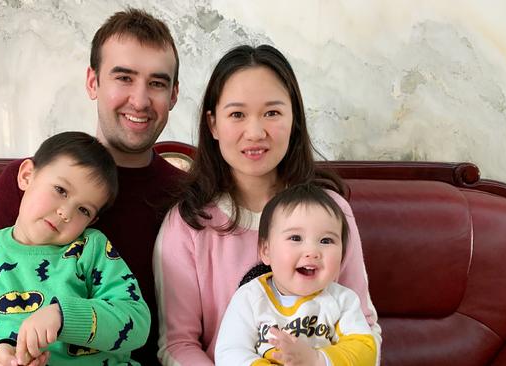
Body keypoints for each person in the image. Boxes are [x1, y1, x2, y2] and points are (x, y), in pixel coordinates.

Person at [153, 44, 381, 365]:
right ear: (213, 124)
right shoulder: (188, 224)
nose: (255, 131)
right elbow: (178, 344)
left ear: (294, 119)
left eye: (272, 112)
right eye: (237, 114)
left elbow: (365, 329)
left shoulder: (332, 211)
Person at [0, 9, 184, 364]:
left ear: (174, 95)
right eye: (123, 77)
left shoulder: (189, 197)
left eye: (157, 83)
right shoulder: (27, 186)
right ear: (93, 82)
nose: (140, 100)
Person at [0, 131, 150, 366]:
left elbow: (136, 321)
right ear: (26, 176)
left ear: (91, 221)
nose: (65, 213)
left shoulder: (91, 249)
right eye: (60, 190)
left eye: (83, 210)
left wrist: (64, 317)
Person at [214, 184, 377, 365]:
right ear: (266, 251)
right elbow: (230, 352)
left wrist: (317, 360)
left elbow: (366, 350)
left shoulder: (342, 301)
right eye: (295, 238)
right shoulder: (249, 298)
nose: (312, 251)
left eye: (326, 240)